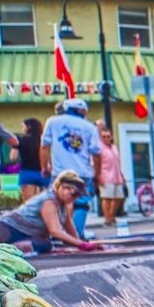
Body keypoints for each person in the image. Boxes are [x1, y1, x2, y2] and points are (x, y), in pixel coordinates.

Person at [0, 171, 101, 254]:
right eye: (66, 188)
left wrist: (80, 244)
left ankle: (10, 250)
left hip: (26, 236)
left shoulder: (62, 206)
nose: (69, 194)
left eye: (74, 194)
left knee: (45, 245)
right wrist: (82, 245)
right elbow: (55, 231)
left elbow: (70, 228)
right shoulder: (49, 201)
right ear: (58, 186)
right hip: (8, 227)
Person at [40, 98, 103, 239]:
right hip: (82, 172)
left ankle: (57, 233)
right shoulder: (89, 127)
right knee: (80, 203)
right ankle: (76, 234)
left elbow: (44, 145)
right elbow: (97, 153)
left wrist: (44, 166)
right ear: (82, 111)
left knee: (57, 201)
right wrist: (97, 174)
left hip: (59, 172)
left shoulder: (53, 121)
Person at [96, 125, 127, 226]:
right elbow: (96, 162)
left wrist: (122, 175)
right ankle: (107, 219)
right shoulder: (99, 148)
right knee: (107, 198)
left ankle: (111, 216)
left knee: (119, 198)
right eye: (104, 137)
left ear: (111, 137)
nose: (106, 138)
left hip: (117, 176)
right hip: (105, 175)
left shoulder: (114, 147)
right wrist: (98, 176)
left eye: (108, 136)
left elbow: (118, 162)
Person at [16, 118, 45, 201]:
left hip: (27, 172)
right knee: (45, 202)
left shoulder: (20, 140)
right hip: (43, 172)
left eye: (23, 126)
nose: (22, 129)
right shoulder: (43, 140)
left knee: (30, 204)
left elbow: (13, 156)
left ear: (29, 127)